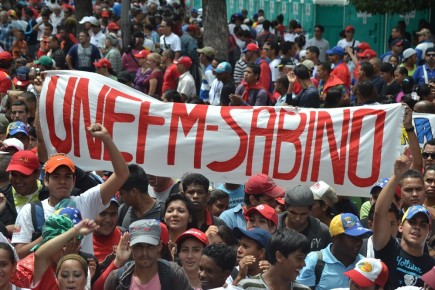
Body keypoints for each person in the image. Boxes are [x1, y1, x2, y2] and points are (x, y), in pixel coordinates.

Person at [12, 123, 129, 258]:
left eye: (67, 177)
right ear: (46, 180)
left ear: (74, 181)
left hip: (83, 276)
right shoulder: (30, 211)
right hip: (45, 278)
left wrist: (106, 139)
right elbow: (19, 254)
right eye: (56, 177)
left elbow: (122, 174)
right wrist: (50, 235)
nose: (62, 181)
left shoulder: (87, 202)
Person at [373, 155, 435, 289]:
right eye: (412, 222)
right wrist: (396, 176)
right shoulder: (387, 249)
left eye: (423, 224)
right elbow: (380, 212)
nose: (417, 227)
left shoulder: (432, 268)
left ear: (429, 233)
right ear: (400, 226)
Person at [104, 219, 192, 290]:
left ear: (159, 246)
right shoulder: (117, 279)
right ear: (130, 247)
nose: (144, 253)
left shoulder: (174, 274)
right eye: (139, 247)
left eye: (150, 246)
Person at [296, 213, 373, 289]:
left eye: (360, 237)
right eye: (353, 239)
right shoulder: (315, 261)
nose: (359, 242)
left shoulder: (364, 264)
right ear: (336, 239)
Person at [31, 217, 97, 290]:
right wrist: (75, 231)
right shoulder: (49, 286)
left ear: (86, 279)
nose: (70, 280)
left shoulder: (85, 283)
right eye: (64, 275)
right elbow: (40, 255)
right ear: (56, 278)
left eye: (77, 275)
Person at [237, 228, 311, 290]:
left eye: (304, 259)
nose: (303, 264)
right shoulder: (247, 287)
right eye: (299, 258)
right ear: (279, 256)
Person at [220, 173, 284, 229]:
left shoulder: (278, 219)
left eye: (274, 199)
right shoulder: (228, 218)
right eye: (269, 200)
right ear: (252, 200)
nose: (274, 204)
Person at [278, 184, 330, 251]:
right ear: (286, 207)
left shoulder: (322, 231)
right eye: (293, 213)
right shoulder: (272, 225)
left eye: (303, 214)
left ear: (310, 210)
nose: (298, 218)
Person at [118, 164, 161, 229]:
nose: (121, 197)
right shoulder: (122, 211)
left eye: (122, 193)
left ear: (133, 192)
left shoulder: (164, 212)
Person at [93, 197, 122, 273]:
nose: (108, 220)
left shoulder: (125, 237)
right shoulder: (80, 242)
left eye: (113, 214)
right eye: (102, 214)